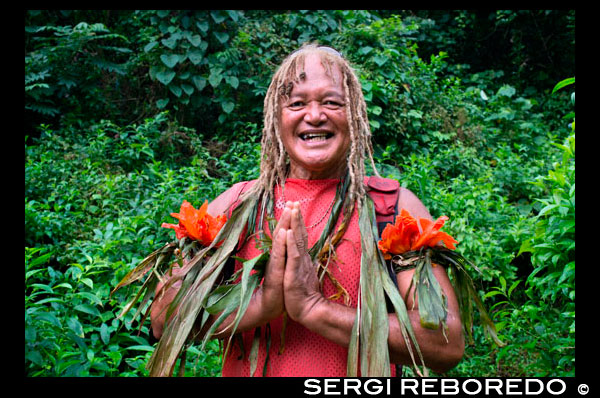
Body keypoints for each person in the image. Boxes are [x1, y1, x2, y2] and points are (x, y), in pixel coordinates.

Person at [150, 43, 464, 377]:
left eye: (332, 102)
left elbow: (446, 343)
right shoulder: (238, 206)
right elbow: (162, 320)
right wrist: (265, 303)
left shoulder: (393, 208)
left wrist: (314, 309)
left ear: (355, 115)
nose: (314, 115)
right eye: (297, 103)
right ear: (276, 118)